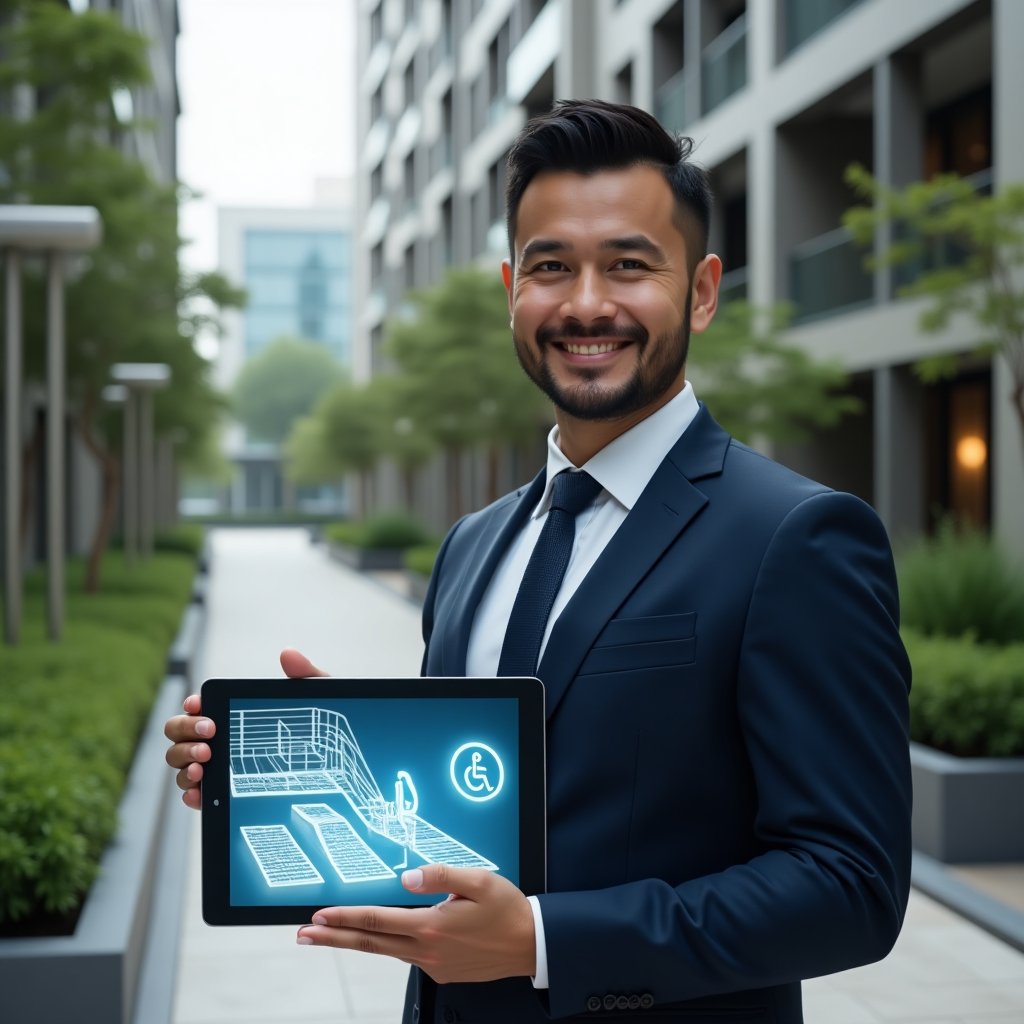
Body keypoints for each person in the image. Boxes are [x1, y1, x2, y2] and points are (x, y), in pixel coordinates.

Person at [166, 100, 912, 1023]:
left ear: (704, 290)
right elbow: (482, 821)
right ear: (511, 291)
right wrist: (307, 766)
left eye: (630, 265)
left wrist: (546, 941)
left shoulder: (796, 537)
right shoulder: (473, 543)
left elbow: (850, 886)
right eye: (552, 267)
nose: (587, 302)